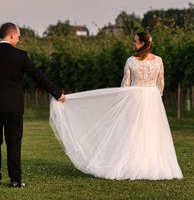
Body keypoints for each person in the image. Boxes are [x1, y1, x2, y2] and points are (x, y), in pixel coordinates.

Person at [49, 32, 182, 180]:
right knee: (151, 131)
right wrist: (156, 97)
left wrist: (122, 100)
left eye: (135, 41)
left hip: (135, 97)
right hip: (153, 97)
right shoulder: (158, 60)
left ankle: (133, 164)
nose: (133, 43)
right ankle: (152, 165)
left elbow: (125, 85)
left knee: (133, 131)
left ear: (142, 43)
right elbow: (160, 83)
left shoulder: (131, 61)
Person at [0, 22, 65, 188]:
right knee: (14, 142)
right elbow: (38, 76)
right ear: (10, 35)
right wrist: (57, 93)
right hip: (14, 106)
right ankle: (15, 180)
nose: (18, 39)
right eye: (18, 36)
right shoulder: (21, 56)